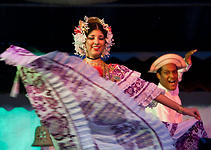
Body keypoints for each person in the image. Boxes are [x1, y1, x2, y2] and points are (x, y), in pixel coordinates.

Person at [0, 16, 207, 150]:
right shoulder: (74, 71)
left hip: (116, 138)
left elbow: (151, 92)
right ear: (84, 41)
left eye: (101, 37)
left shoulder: (116, 71)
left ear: (106, 42)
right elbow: (56, 103)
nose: (97, 42)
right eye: (92, 37)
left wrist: (182, 109)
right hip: (85, 138)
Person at [145, 50, 197, 123]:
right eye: (166, 72)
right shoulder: (161, 100)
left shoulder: (171, 90)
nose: (172, 76)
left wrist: (186, 62)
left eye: (174, 72)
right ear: (158, 75)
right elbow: (166, 129)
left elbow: (179, 73)